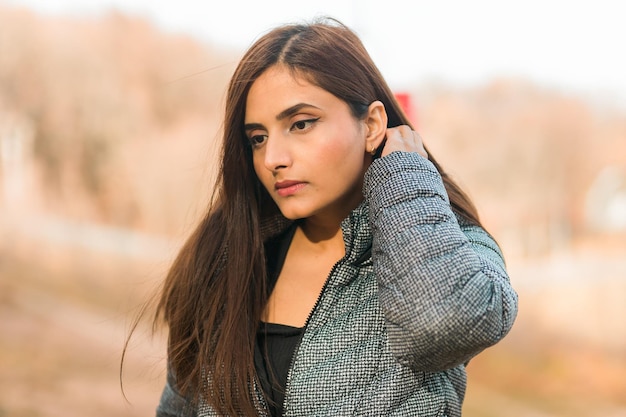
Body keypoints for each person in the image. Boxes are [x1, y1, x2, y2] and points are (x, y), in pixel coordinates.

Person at [153, 17, 518, 417]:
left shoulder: (455, 246)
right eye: (258, 138)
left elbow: (443, 323)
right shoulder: (229, 254)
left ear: (373, 124)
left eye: (301, 124)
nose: (274, 158)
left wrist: (402, 171)